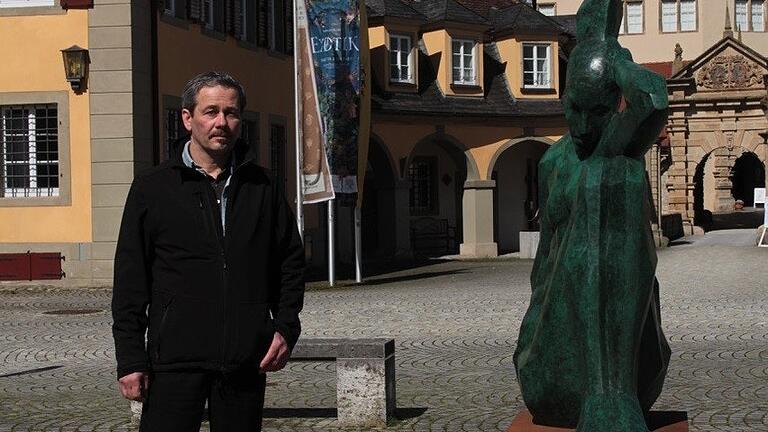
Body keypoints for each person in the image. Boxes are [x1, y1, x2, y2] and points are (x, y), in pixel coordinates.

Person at [112, 71, 305, 432]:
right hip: (174, 359)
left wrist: (285, 327)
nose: (222, 122)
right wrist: (130, 358)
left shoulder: (263, 186)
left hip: (246, 358)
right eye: (210, 111)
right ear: (188, 118)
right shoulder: (152, 188)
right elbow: (130, 279)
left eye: (231, 113)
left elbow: (290, 262)